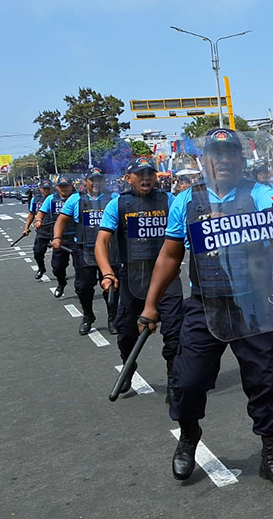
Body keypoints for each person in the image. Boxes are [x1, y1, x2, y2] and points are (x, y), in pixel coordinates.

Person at [137, 128, 273, 489]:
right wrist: (150, 306)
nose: (224, 159)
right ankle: (188, 437)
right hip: (204, 303)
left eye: (231, 153)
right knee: (188, 381)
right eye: (216, 153)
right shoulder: (186, 202)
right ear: (204, 160)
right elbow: (170, 253)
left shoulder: (259, 193)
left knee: (268, 383)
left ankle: (270, 456)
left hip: (254, 305)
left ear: (242, 161)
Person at [95, 157, 184, 400]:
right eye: (139, 173)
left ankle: (174, 382)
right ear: (128, 178)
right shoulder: (118, 205)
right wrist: (107, 273)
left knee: (176, 335)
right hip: (131, 279)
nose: (146, 178)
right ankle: (129, 366)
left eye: (150, 173)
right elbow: (102, 241)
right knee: (125, 334)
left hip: (168, 279)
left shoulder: (170, 200)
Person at [53, 168, 120, 335]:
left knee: (112, 286)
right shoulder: (76, 199)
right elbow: (61, 220)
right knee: (83, 287)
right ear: (86, 182)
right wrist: (57, 237)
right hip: (84, 251)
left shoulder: (114, 198)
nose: (96, 183)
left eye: (99, 180)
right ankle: (88, 316)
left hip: (110, 250)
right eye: (92, 180)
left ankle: (113, 318)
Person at [33, 176, 76, 298]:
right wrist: (38, 220)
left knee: (82, 268)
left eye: (66, 186)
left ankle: (82, 289)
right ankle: (61, 283)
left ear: (71, 186)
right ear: (57, 187)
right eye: (61, 186)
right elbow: (40, 213)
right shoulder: (51, 199)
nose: (64, 189)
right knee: (57, 267)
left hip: (77, 237)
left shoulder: (77, 198)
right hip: (59, 239)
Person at [22, 180, 54, 280]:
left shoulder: (56, 198)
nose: (46, 190)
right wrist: (26, 228)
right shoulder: (35, 199)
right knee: (38, 253)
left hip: (56, 230)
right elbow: (31, 214)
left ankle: (60, 272)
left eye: (48, 188)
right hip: (42, 230)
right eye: (44, 188)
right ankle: (41, 268)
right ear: (40, 189)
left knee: (60, 257)